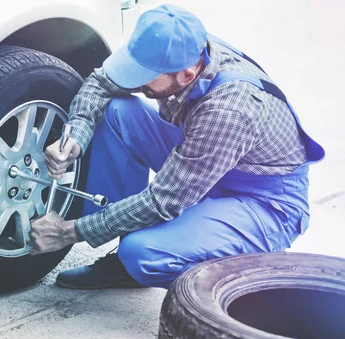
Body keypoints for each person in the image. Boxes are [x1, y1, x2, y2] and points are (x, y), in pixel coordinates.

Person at [28, 4, 324, 290]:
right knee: (117, 110)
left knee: (141, 253)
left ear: (187, 75)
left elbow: (163, 201)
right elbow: (103, 83)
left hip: (261, 202)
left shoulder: (228, 111)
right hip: (209, 159)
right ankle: (123, 237)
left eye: (144, 77)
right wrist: (76, 136)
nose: (135, 80)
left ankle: (250, 276)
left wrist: (68, 232)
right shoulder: (173, 47)